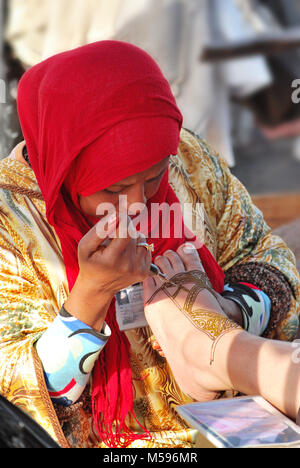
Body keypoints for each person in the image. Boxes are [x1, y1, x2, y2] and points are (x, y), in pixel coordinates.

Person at [0, 41, 299, 449]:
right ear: (65, 167)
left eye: (154, 177)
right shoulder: (9, 221)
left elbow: (266, 257)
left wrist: (220, 311)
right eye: (114, 187)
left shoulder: (185, 158)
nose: (139, 204)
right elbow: (17, 400)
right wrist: (92, 292)